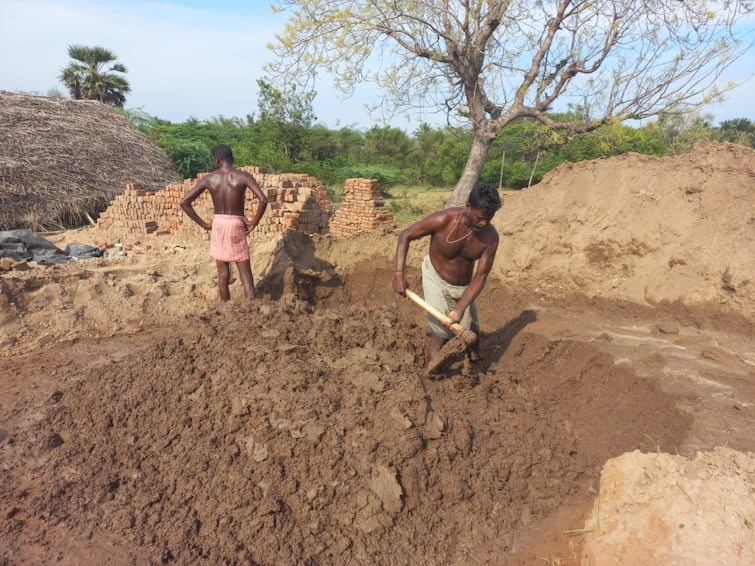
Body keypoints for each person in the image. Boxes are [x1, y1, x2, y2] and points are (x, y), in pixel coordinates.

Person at [393, 182, 501, 365]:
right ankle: (432, 368)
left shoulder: (490, 238)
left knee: (472, 330)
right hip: (435, 277)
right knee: (441, 332)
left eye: (488, 219)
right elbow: (405, 235)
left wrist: (459, 309)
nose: (484, 223)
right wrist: (398, 274)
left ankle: (476, 362)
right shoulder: (444, 220)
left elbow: (481, 276)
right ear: (468, 207)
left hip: (464, 286)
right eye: (479, 217)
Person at [180, 144, 268, 301]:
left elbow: (184, 202)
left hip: (218, 224)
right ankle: (252, 307)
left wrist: (204, 224)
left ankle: (225, 308)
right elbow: (263, 199)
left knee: (223, 274)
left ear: (217, 160)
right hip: (236, 223)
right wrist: (254, 221)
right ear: (232, 159)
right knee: (245, 272)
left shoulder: (209, 179)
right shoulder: (243, 176)